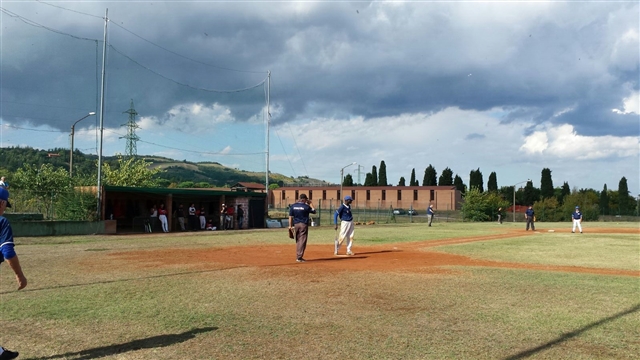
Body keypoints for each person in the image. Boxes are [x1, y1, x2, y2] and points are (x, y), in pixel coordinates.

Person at [0, 188, 27, 360]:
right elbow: (7, 251)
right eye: (5, 205)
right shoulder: (2, 222)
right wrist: (20, 276)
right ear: (1, 203)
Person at [288, 194, 316, 263]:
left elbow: (290, 217)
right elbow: (314, 211)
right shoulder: (306, 206)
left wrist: (290, 226)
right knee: (302, 241)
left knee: (298, 240)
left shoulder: (293, 206)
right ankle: (299, 257)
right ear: (303, 199)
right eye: (306, 199)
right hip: (303, 224)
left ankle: (298, 255)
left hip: (296, 224)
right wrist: (311, 203)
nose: (306, 201)